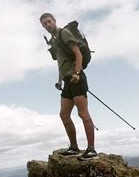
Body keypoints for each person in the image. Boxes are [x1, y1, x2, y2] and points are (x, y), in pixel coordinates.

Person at [39, 12, 98, 160]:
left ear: (54, 21)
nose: (47, 25)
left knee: (82, 113)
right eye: (44, 23)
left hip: (77, 78)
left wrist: (77, 73)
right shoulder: (53, 41)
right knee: (64, 114)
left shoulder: (64, 33)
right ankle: (74, 147)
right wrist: (59, 81)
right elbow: (61, 63)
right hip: (67, 80)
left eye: (49, 21)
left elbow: (78, 54)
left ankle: (91, 150)